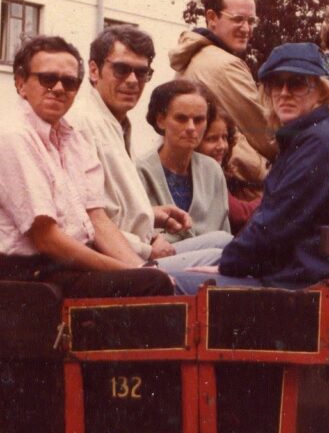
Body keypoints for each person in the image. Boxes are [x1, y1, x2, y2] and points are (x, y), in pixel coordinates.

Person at [0, 34, 171, 298]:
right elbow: (46, 238)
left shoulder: (73, 138)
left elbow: (97, 219)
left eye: (69, 82)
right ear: (21, 83)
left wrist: (141, 267)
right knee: (153, 285)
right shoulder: (14, 137)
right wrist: (129, 272)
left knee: (154, 279)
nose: (58, 88)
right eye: (47, 78)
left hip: (63, 268)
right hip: (26, 280)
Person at [171, 43, 329, 292]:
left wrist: (228, 265)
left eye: (297, 83)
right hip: (303, 275)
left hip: (302, 286)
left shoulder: (319, 144)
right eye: (276, 84)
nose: (284, 92)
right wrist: (230, 262)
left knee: (169, 285)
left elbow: (275, 224)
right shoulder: (314, 137)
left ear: (321, 91)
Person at [68, 25, 227, 271]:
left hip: (136, 247)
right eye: (121, 70)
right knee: (228, 262)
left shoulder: (115, 122)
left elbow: (113, 210)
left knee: (225, 243)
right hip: (119, 261)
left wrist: (152, 216)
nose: (132, 81)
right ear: (93, 70)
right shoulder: (84, 124)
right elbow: (88, 222)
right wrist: (145, 266)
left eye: (141, 73)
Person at [169, 0, 276, 198]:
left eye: (251, 21)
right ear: (211, 18)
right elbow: (266, 136)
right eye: (237, 19)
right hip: (233, 187)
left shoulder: (193, 57)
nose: (246, 29)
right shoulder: (225, 65)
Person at [136, 80, 232, 242]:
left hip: (212, 259)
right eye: (181, 119)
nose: (191, 127)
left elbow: (224, 228)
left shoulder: (212, 171)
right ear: (161, 120)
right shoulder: (140, 170)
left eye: (199, 120)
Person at [197, 109, 261, 234]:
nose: (222, 146)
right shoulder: (203, 172)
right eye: (212, 139)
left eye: (224, 137)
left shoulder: (218, 169)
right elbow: (240, 215)